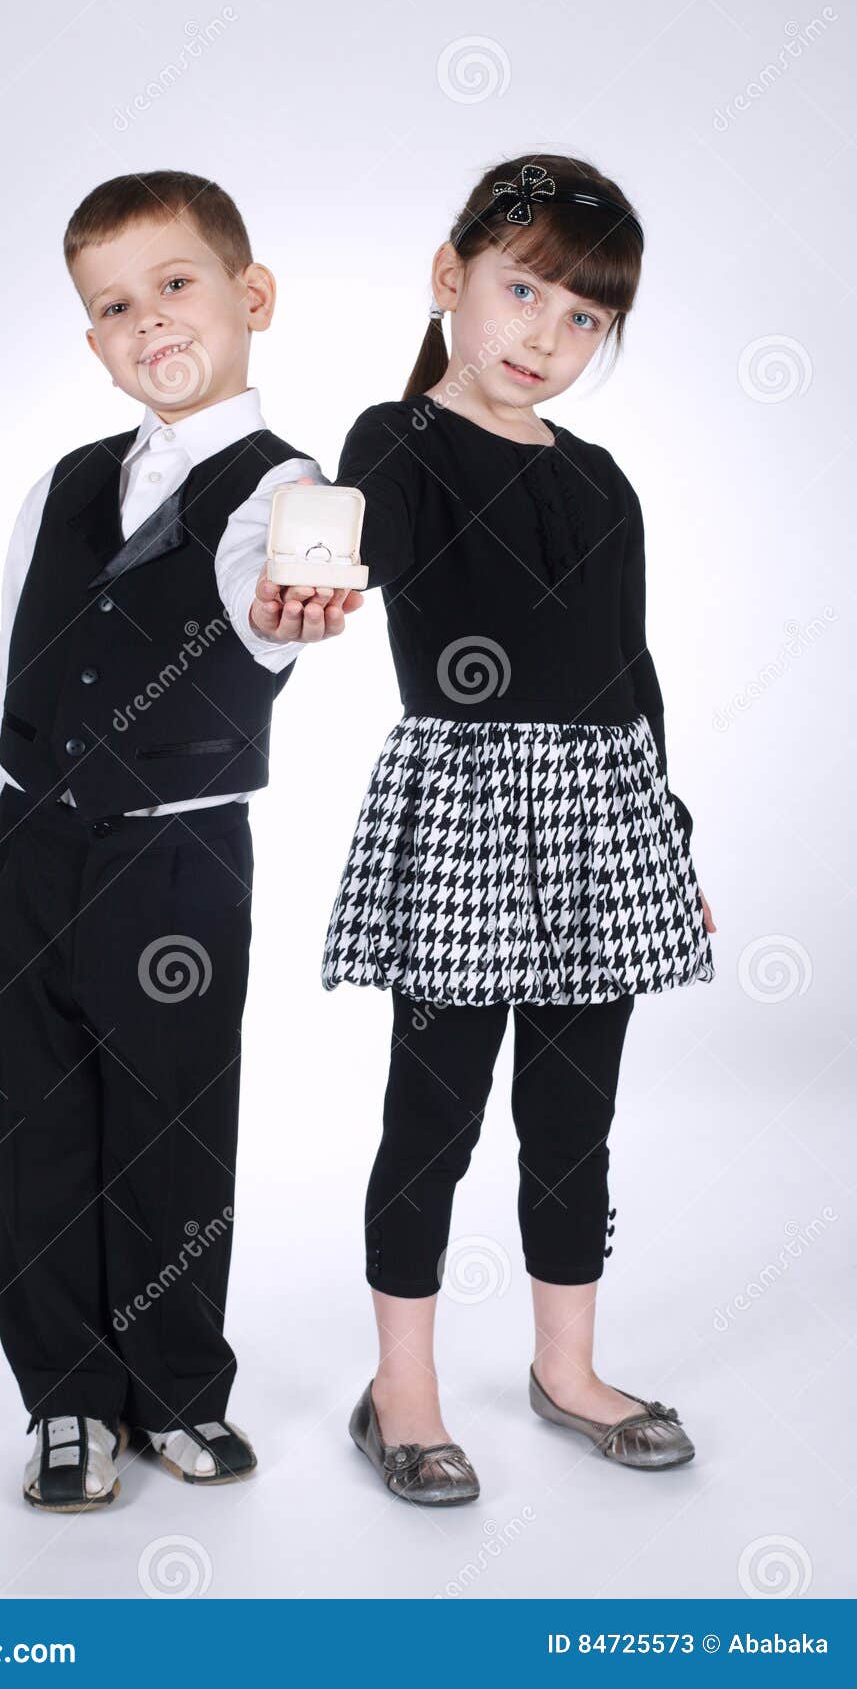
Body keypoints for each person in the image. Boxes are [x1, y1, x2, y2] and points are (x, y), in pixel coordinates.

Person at [255, 154, 716, 1505]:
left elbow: (630, 672)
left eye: (583, 317)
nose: (544, 336)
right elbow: (351, 546)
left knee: (572, 1119)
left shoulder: (603, 481)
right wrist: (303, 578)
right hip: (465, 805)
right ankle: (400, 1389)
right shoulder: (396, 440)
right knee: (435, 1112)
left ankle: (565, 1369)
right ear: (450, 279)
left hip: (606, 817)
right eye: (522, 290)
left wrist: (669, 841)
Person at [0, 170, 359, 1512]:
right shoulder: (64, 483)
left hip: (175, 863)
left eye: (174, 284)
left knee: (172, 1131)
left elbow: (271, 594)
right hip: (30, 850)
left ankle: (178, 1388)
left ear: (251, 297)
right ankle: (68, 1398)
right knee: (40, 1126)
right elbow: (12, 652)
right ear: (91, 338)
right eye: (112, 305)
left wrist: (289, 615)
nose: (147, 321)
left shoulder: (283, 490)